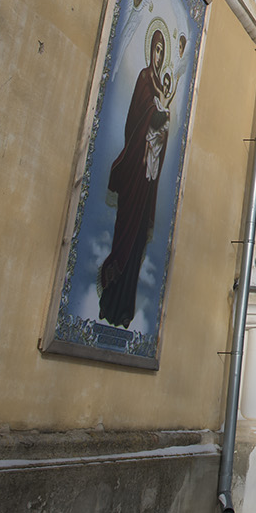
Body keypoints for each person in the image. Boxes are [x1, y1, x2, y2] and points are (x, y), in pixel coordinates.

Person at [98, 26, 171, 329]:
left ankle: (124, 307)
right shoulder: (144, 79)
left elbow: (159, 128)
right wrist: (153, 121)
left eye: (160, 52)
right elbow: (135, 122)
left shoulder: (159, 84)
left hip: (149, 176)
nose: (157, 56)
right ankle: (110, 299)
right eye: (155, 49)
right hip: (136, 172)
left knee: (139, 238)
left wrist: (162, 126)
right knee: (126, 233)